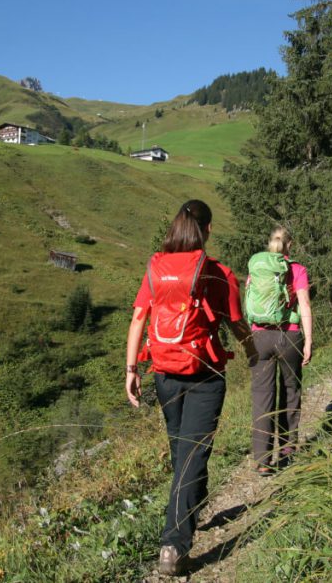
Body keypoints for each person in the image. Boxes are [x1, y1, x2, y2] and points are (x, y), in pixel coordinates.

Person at [124, 199, 254, 577]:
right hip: (205, 374)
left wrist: (132, 369)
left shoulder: (156, 267)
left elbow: (138, 319)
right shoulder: (217, 273)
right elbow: (236, 322)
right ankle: (173, 545)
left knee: (183, 450)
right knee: (191, 456)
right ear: (207, 230)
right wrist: (252, 351)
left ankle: (192, 510)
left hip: (163, 372)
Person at [245, 226, 313, 475]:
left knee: (262, 397)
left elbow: (250, 301)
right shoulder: (297, 269)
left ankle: (262, 460)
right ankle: (287, 450)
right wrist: (308, 340)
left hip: (259, 336)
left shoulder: (257, 267)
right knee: (290, 391)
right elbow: (304, 303)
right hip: (289, 335)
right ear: (289, 246)